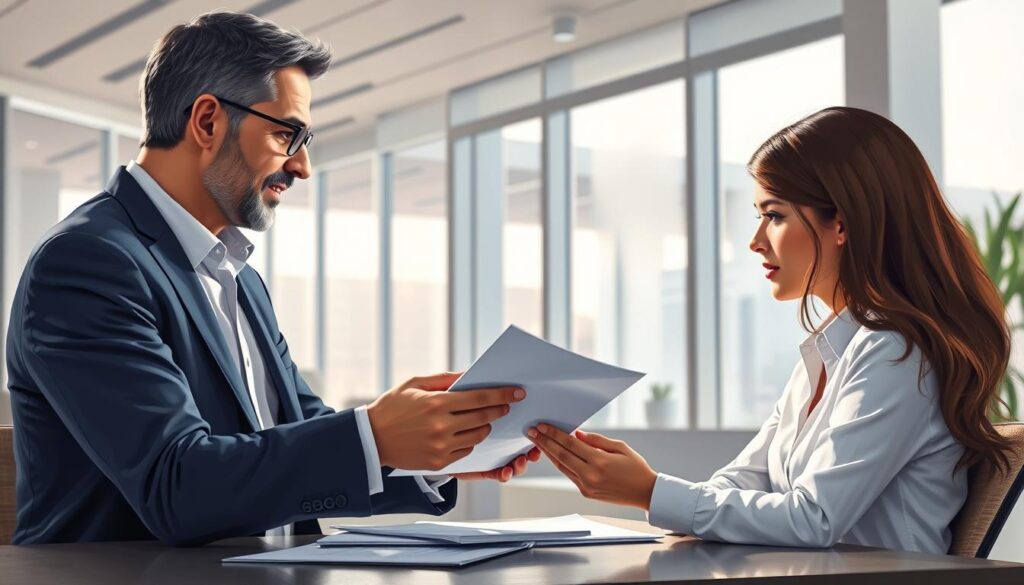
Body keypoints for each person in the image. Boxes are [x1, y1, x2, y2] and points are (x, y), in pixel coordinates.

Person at [6, 11, 537, 546]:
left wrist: (431, 449)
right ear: (208, 121)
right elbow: (176, 485)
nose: (302, 166)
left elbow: (297, 435)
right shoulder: (87, 261)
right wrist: (374, 436)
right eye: (288, 134)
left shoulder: (240, 278)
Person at [527, 106, 1014, 554]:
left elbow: (815, 517)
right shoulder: (829, 353)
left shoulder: (895, 352)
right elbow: (745, 480)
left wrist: (649, 491)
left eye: (774, 216)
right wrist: (639, 483)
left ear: (840, 223)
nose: (755, 241)